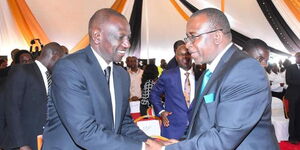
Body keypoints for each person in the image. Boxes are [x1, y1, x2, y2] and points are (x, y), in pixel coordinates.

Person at [147, 8, 279, 150]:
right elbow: (202, 124)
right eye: (187, 38)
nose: (188, 44)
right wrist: (180, 143)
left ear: (217, 36)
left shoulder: (245, 70)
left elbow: (224, 137)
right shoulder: (208, 73)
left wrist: (168, 149)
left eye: (193, 36)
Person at [42, 8, 152, 150]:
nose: (127, 44)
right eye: (120, 37)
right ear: (97, 36)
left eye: (128, 38)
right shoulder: (70, 68)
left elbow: (123, 123)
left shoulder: (121, 75)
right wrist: (143, 147)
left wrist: (150, 142)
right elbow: (85, 133)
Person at [3, 42, 65, 150]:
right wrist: (21, 144)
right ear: (54, 56)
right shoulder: (22, 70)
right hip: (25, 140)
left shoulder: (52, 75)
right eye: (61, 60)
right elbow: (12, 108)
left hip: (44, 139)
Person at [150, 41, 197, 140]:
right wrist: (161, 111)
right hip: (173, 129)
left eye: (188, 53)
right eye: (181, 54)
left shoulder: (201, 75)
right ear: (176, 57)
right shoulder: (168, 75)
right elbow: (154, 94)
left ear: (192, 55)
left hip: (196, 129)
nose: (185, 57)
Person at [285, 52, 300, 144]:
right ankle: (292, 137)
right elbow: (288, 81)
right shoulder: (290, 67)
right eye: (298, 57)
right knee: (293, 117)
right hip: (293, 95)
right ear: (295, 58)